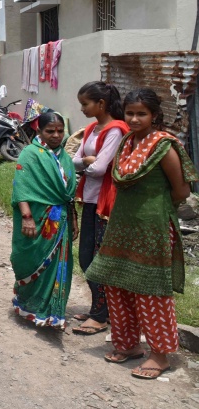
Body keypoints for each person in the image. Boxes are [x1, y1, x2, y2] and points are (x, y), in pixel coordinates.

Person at [86, 89, 198, 380]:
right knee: (115, 283)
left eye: (141, 113)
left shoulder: (164, 146)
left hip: (153, 228)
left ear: (154, 115)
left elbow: (182, 191)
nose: (134, 119)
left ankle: (160, 356)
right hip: (122, 224)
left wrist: (153, 208)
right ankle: (128, 345)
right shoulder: (126, 141)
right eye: (130, 113)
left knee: (151, 292)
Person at [10, 112, 78, 329]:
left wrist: (74, 219)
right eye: (50, 131)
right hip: (37, 219)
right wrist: (27, 218)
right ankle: (30, 306)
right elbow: (21, 188)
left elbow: (68, 194)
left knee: (58, 266)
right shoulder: (30, 154)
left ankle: (51, 313)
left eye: (60, 130)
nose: (56, 135)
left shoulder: (64, 157)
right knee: (30, 261)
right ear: (39, 131)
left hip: (61, 221)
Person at [71, 81, 128, 335]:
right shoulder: (92, 128)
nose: (82, 109)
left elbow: (100, 168)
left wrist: (87, 163)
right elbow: (76, 162)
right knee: (86, 256)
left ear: (101, 104)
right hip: (92, 198)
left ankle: (101, 315)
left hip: (107, 201)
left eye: (85, 104)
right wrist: (87, 161)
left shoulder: (116, 130)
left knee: (97, 257)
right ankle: (99, 309)